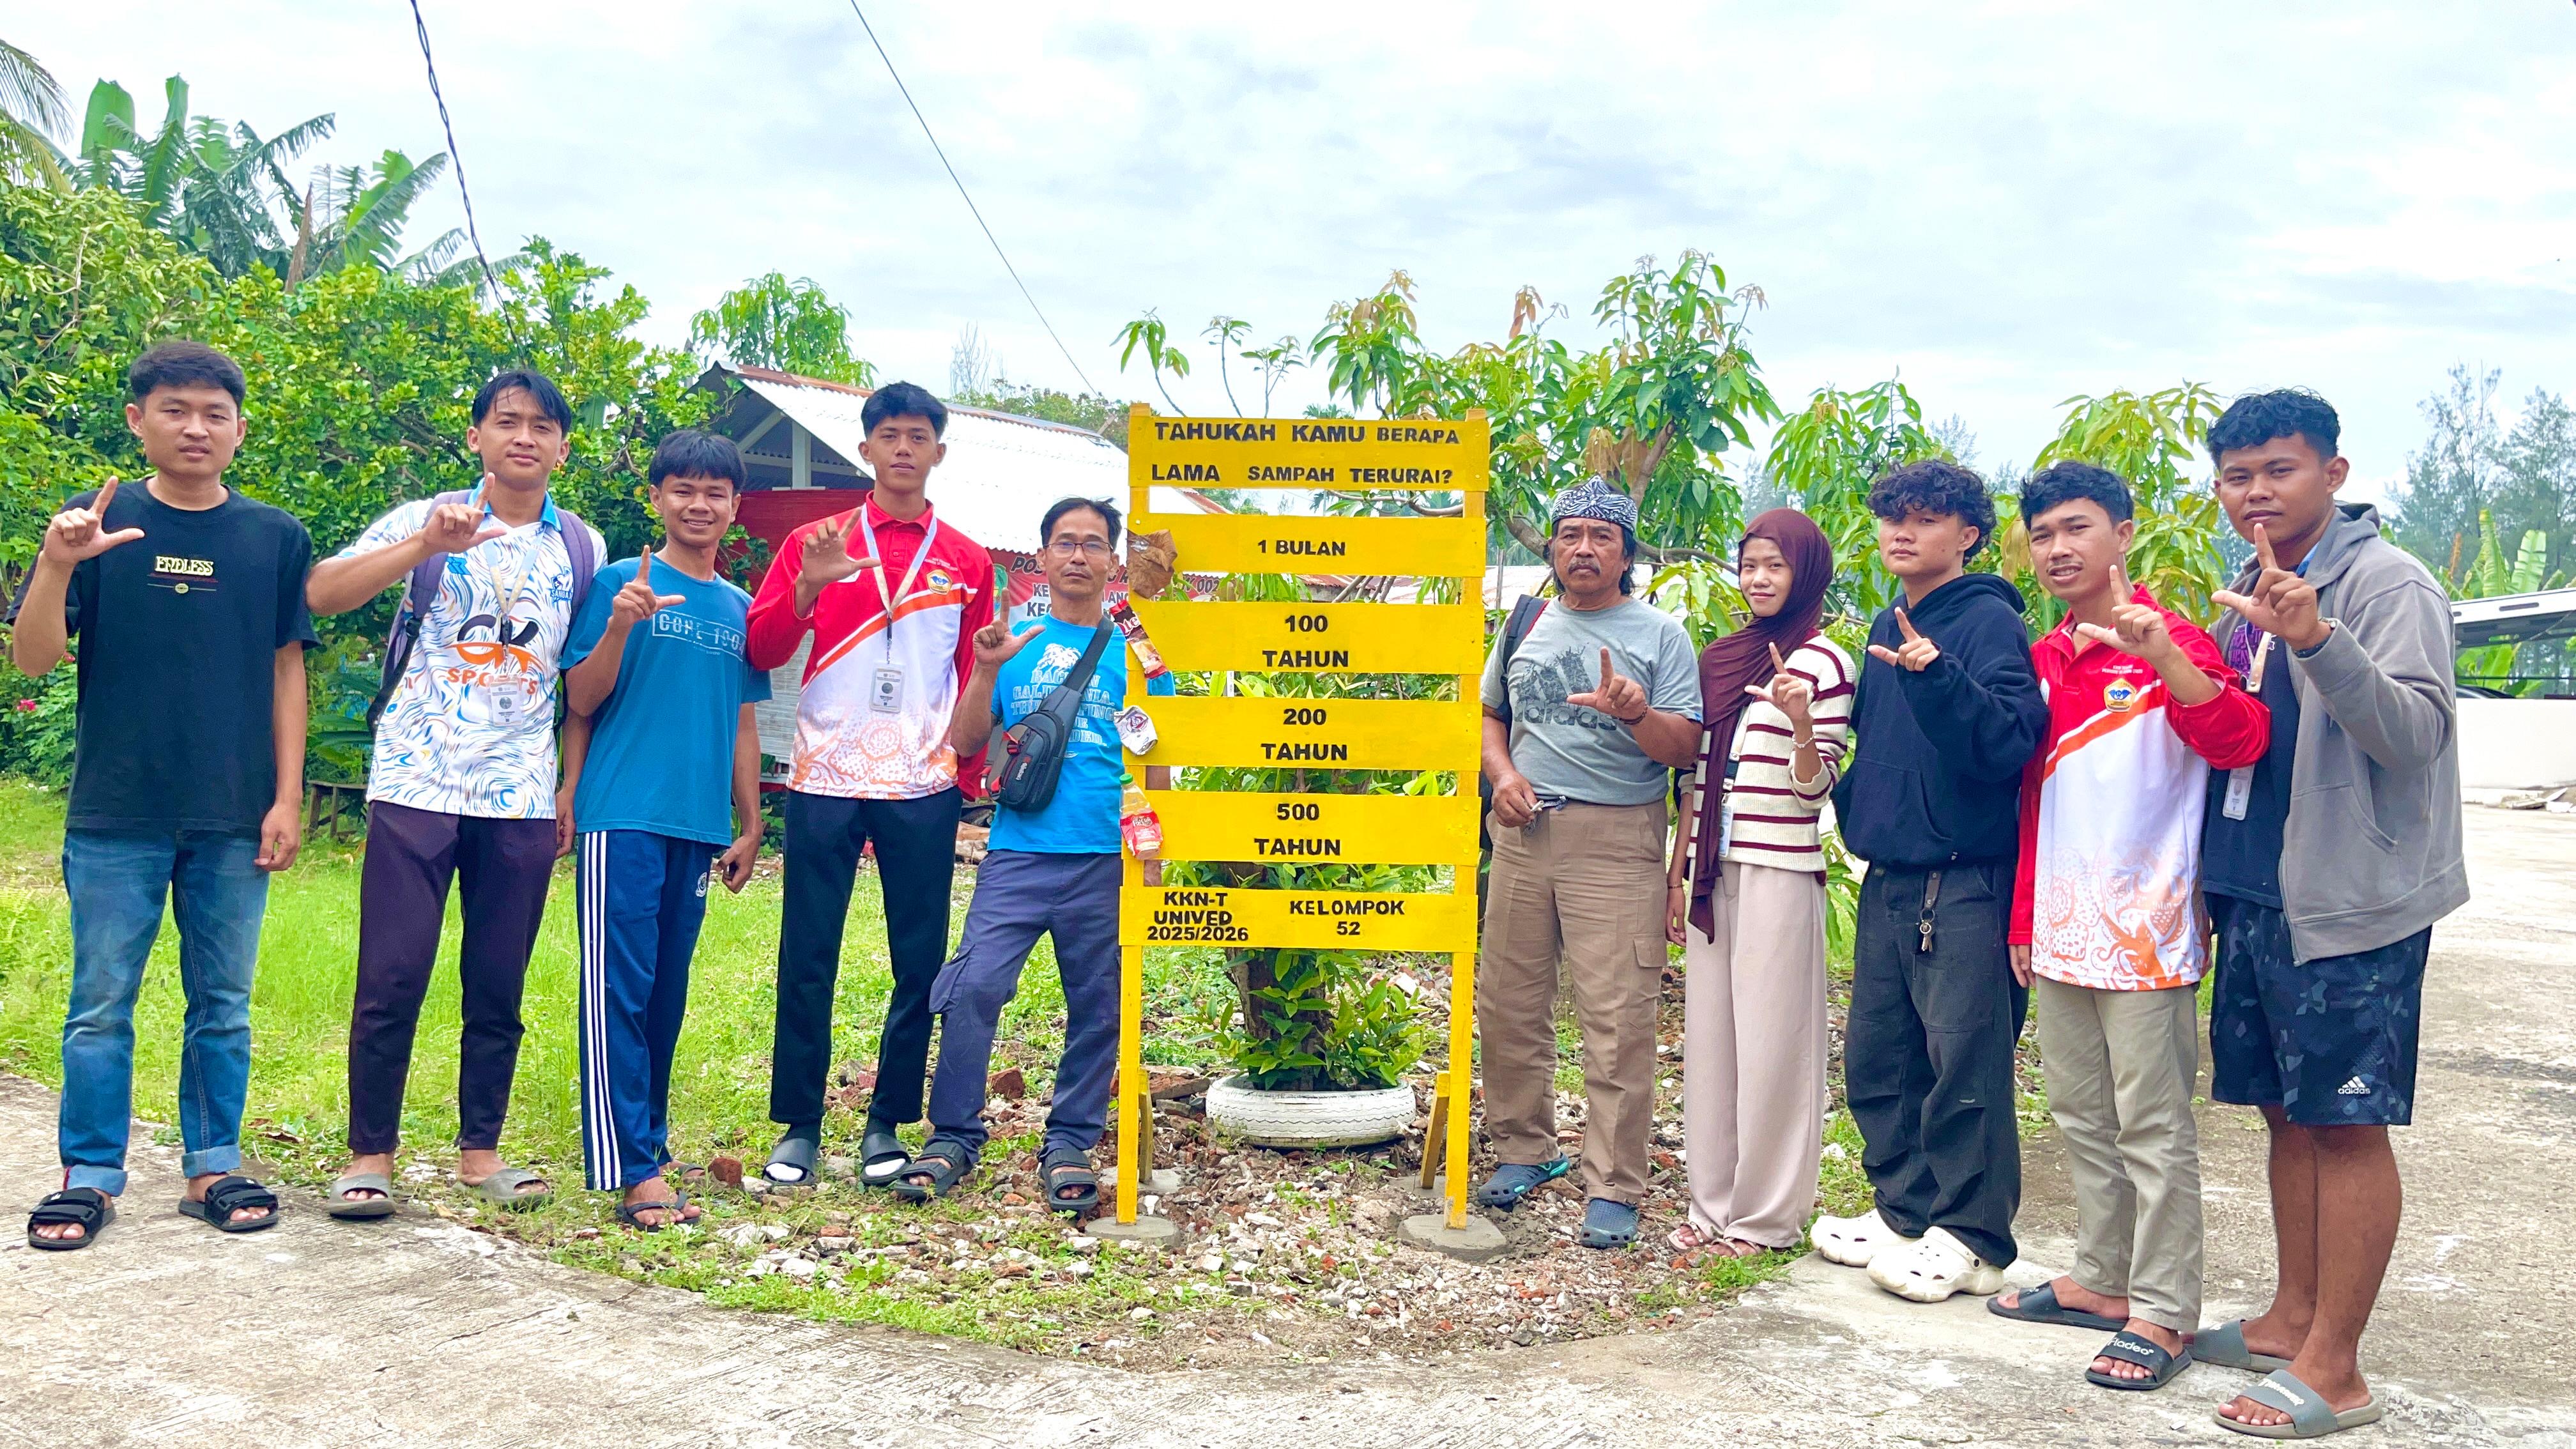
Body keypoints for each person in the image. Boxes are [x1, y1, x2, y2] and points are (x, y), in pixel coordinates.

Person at [2188, 392, 2464, 1439]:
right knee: (2283, 1110)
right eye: (2236, 474)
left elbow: (2417, 733)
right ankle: (2289, 1317)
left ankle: (2336, 1367)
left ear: (2333, 474)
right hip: (2261, 891)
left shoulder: (2387, 584)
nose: (2256, 491)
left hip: (2351, 900)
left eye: (2278, 469)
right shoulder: (2238, 591)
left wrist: (2319, 638)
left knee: (2344, 1120)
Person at [12, 342, 316, 1248]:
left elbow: (285, 670)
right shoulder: (92, 526)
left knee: (222, 1003)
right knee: (102, 1001)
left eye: (214, 413)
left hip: (233, 813)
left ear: (239, 430)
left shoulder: (274, 537)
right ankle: (91, 1174)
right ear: (138, 420)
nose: (195, 427)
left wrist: (287, 796)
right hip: (116, 809)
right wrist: (56, 563)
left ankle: (213, 1165)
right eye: (175, 409)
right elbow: (32, 659)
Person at [1985, 462, 2267, 1392]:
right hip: (2062, 930)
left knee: (2152, 1127)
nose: (2058, 549)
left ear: (2123, 535)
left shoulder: (2169, 640)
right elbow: (2037, 802)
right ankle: (2101, 1281)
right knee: (2078, 1114)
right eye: (2044, 534)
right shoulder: (2045, 657)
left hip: (2150, 932)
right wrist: (2027, 916)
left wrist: (2169, 662)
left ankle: (2165, 1312)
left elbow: (2240, 742)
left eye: (2078, 529)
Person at [307, 368, 604, 1217]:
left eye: (541, 427)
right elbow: (321, 593)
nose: (523, 437)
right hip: (417, 780)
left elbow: (579, 679)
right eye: (506, 422)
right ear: (475, 436)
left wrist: (567, 790)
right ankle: (371, 1155)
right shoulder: (427, 519)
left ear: (561, 447)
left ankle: (481, 1154)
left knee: (498, 981)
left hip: (517, 793)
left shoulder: (577, 547)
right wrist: (423, 549)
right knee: (393, 973)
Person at [745, 381, 995, 1189]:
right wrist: (810, 585)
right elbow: (763, 647)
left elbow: (972, 673)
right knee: (807, 952)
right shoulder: (818, 541)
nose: (901, 449)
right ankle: (800, 1125)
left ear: (938, 453)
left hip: (923, 784)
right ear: (865, 449)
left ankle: (888, 1121)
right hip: (825, 772)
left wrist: (964, 769)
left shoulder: (967, 559)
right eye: (887, 435)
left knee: (917, 960)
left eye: (917, 436)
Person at [893, 496, 1172, 1209]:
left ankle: (1071, 1140)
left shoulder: (1138, 653)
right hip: (1018, 855)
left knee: (1098, 1005)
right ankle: (952, 1136)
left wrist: (1153, 847)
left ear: (1112, 560)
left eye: (1094, 544)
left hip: (1102, 859)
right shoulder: (1010, 643)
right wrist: (985, 672)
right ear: (1041, 557)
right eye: (1065, 543)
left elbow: (1157, 756)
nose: (1079, 556)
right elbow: (963, 744)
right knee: (974, 987)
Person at [1813, 459, 2048, 1301]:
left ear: (1969, 534)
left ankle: (1975, 1235)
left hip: (1966, 880)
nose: (1901, 532)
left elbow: (2011, 742)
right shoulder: (1889, 619)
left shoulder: (1986, 623)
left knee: (1966, 1064)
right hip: (1892, 876)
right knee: (1881, 1058)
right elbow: (1881, 752)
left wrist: (1940, 676)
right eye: (1890, 517)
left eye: (1924, 518)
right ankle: (1905, 1209)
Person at [1475, 477, 1703, 1251]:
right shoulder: (1524, 623)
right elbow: (1491, 715)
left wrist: (1637, 712)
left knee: (1616, 1019)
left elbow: (1685, 750)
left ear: (1627, 552)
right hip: (1525, 834)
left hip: (1616, 839)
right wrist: (1503, 777)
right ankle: (1524, 1150)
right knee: (1509, 1002)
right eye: (1569, 533)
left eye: (1601, 537)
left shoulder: (1661, 635)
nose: (1582, 548)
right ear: (1551, 545)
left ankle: (1614, 1184)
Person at [556, 431, 769, 1231]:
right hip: (622, 815)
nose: (699, 505)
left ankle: (648, 1137)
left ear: (735, 508)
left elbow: (744, 725)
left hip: (697, 824)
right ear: (657, 498)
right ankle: (630, 1167)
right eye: (682, 489)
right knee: (618, 987)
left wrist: (750, 824)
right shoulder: (620, 583)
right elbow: (580, 700)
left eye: (715, 493)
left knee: (665, 994)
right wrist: (619, 624)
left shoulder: (741, 608)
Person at [1661, 509, 1854, 1261]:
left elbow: (1813, 793)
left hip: (1779, 871)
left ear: (1805, 571)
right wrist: (1678, 875)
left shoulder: (1826, 664)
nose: (1759, 579)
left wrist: (1802, 725)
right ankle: (1711, 1207)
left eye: (1775, 566)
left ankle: (1766, 1218)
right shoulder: (1723, 658)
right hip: (1714, 870)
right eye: (1750, 565)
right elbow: (1695, 780)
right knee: (1711, 1044)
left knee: (1775, 1048)